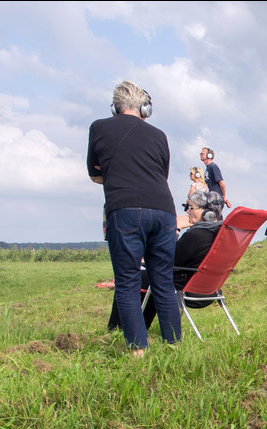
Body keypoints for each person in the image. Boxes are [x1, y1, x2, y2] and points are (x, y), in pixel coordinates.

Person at [88, 80, 181, 355]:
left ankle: (138, 351)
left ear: (116, 107)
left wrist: (117, 174)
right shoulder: (160, 134)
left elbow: (94, 174)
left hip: (125, 210)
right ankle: (174, 346)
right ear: (145, 108)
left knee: (128, 282)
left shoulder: (99, 127)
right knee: (163, 280)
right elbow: (160, 175)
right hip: (164, 210)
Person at [106, 189, 225, 331]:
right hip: (210, 290)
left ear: (207, 212)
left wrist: (176, 229)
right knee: (150, 277)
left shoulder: (198, 234)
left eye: (191, 207)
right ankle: (140, 326)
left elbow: (166, 259)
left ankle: (115, 328)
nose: (187, 211)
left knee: (140, 277)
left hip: (186, 287)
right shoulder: (220, 234)